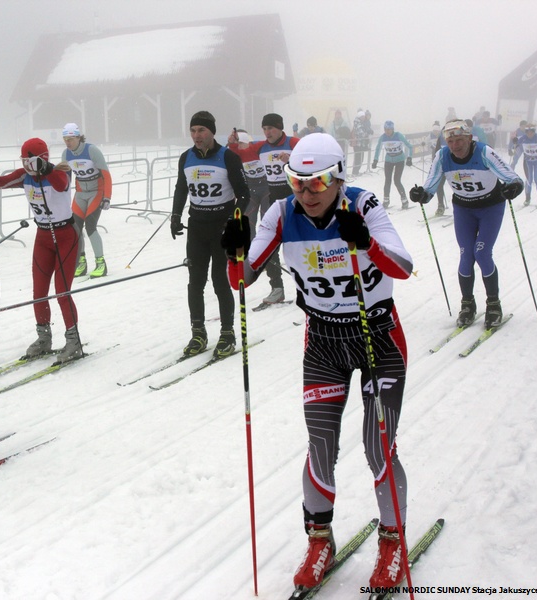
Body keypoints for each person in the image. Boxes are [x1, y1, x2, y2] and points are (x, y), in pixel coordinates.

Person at [220, 132, 414, 591]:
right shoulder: (282, 212)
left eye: (317, 182)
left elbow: (404, 266)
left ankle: (392, 542)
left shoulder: (363, 207)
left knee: (377, 447)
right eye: (296, 181)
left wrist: (365, 242)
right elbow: (242, 280)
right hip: (324, 342)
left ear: (339, 177)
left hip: (377, 339)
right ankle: (319, 538)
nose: (305, 193)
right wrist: (234, 250)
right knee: (320, 445)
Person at [410, 120, 524, 329]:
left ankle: (493, 304)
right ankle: (467, 304)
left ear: (469, 138)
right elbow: (431, 184)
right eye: (451, 141)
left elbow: (511, 177)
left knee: (481, 253)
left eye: (459, 140)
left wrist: (514, 187)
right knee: (466, 255)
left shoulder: (483, 152)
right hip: (464, 210)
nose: (455, 145)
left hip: (490, 207)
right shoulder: (443, 156)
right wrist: (422, 195)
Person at [0, 138, 84, 363]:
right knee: (38, 292)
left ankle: (73, 341)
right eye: (24, 161)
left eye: (31, 161)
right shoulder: (24, 175)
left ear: (43, 158)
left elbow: (61, 185)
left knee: (62, 291)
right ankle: (44, 338)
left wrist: (44, 169)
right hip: (43, 236)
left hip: (66, 235)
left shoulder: (61, 172)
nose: (26, 165)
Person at [170, 110, 251, 358]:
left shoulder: (228, 157)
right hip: (197, 227)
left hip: (221, 227)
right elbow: (181, 189)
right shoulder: (186, 157)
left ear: (211, 132)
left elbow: (244, 195)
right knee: (195, 282)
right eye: (193, 130)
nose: (196, 135)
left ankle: (227, 333)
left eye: (201, 130)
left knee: (219, 281)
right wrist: (175, 216)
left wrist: (233, 218)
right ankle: (198, 332)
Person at [245, 112, 299, 304]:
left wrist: (291, 162)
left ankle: (307, 287)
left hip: (295, 200)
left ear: (280, 128)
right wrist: (234, 144)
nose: (267, 132)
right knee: (270, 245)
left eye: (271, 128)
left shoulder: (294, 143)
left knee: (298, 246)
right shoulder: (261, 146)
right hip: (274, 201)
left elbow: (311, 165)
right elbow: (242, 153)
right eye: (265, 128)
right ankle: (277, 288)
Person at [60, 122, 112, 279]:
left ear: (78, 137)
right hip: (81, 193)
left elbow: (106, 174)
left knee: (90, 227)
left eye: (70, 139)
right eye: (65, 139)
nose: (68, 143)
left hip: (96, 192)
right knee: (74, 229)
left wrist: (107, 197)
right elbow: (65, 179)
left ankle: (101, 263)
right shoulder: (66, 154)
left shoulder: (91, 150)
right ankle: (81, 262)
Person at [371, 120, 414, 209]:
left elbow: (409, 146)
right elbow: (378, 149)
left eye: (389, 129)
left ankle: (404, 200)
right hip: (389, 160)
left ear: (392, 129)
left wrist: (409, 158)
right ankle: (386, 200)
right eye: (385, 129)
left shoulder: (399, 135)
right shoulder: (383, 137)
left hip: (399, 160)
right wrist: (375, 160)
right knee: (387, 180)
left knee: (397, 180)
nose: (387, 131)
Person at [511, 124, 537, 206]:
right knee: (529, 179)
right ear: (526, 132)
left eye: (532, 132)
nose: (530, 134)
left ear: (534, 131)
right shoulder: (523, 138)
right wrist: (515, 142)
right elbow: (515, 146)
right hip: (527, 162)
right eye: (527, 132)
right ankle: (527, 198)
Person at [350, 109, 370, 176]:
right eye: (363, 117)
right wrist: (367, 134)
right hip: (358, 144)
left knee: (360, 159)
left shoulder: (360, 123)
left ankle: (356, 171)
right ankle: (355, 172)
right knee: (358, 159)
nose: (364, 118)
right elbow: (361, 133)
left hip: (361, 144)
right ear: (360, 117)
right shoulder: (357, 123)